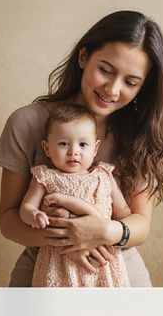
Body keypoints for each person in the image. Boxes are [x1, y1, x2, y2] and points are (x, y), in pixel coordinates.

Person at [0, 9, 163, 287]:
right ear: (83, 57)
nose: (112, 89)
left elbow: (140, 225)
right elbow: (8, 221)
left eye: (130, 82)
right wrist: (71, 236)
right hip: (42, 276)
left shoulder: (143, 136)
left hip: (121, 275)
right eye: (105, 70)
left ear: (143, 88)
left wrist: (104, 232)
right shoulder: (27, 123)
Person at [19, 104, 131, 288]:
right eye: (63, 144)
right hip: (58, 261)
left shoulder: (103, 175)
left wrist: (113, 229)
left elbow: (124, 212)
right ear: (47, 149)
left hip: (102, 259)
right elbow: (26, 208)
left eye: (83, 144)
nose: (73, 151)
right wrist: (35, 215)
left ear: (95, 149)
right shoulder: (45, 177)